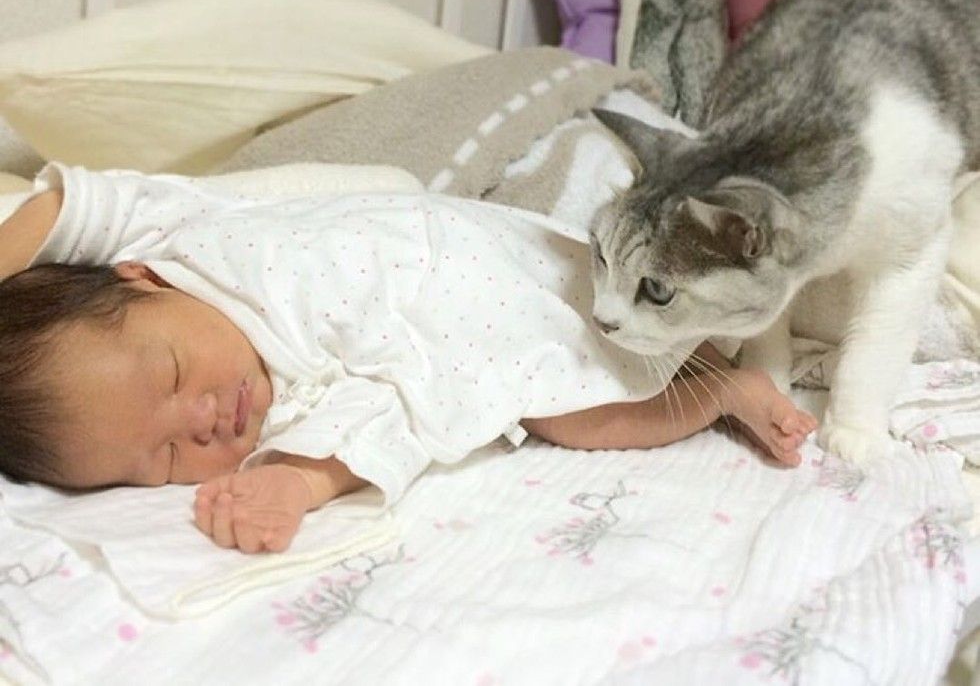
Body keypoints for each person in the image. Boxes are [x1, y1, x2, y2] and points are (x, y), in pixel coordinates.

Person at [0, 164, 817, 554]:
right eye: (162, 458)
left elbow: (74, 204)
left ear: (138, 280)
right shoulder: (291, 404)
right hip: (499, 332)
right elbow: (385, 416)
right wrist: (298, 480)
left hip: (478, 244)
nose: (204, 420)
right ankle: (722, 392)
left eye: (172, 376)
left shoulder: (174, 237)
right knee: (586, 415)